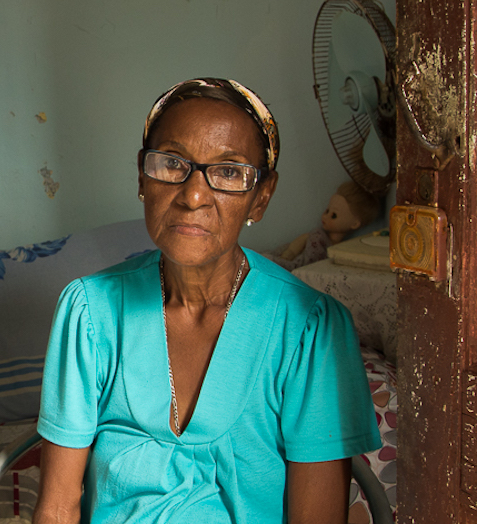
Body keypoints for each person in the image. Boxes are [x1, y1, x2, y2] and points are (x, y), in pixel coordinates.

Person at [33, 78, 381, 524]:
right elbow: (58, 508)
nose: (194, 195)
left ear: (261, 198)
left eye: (230, 172)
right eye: (172, 163)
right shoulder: (89, 313)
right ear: (142, 176)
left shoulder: (310, 329)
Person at [270, 180, 382, 270]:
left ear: (355, 224)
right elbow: (301, 241)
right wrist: (289, 254)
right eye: (327, 211)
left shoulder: (344, 248)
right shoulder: (318, 236)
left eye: (334, 215)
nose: (325, 217)